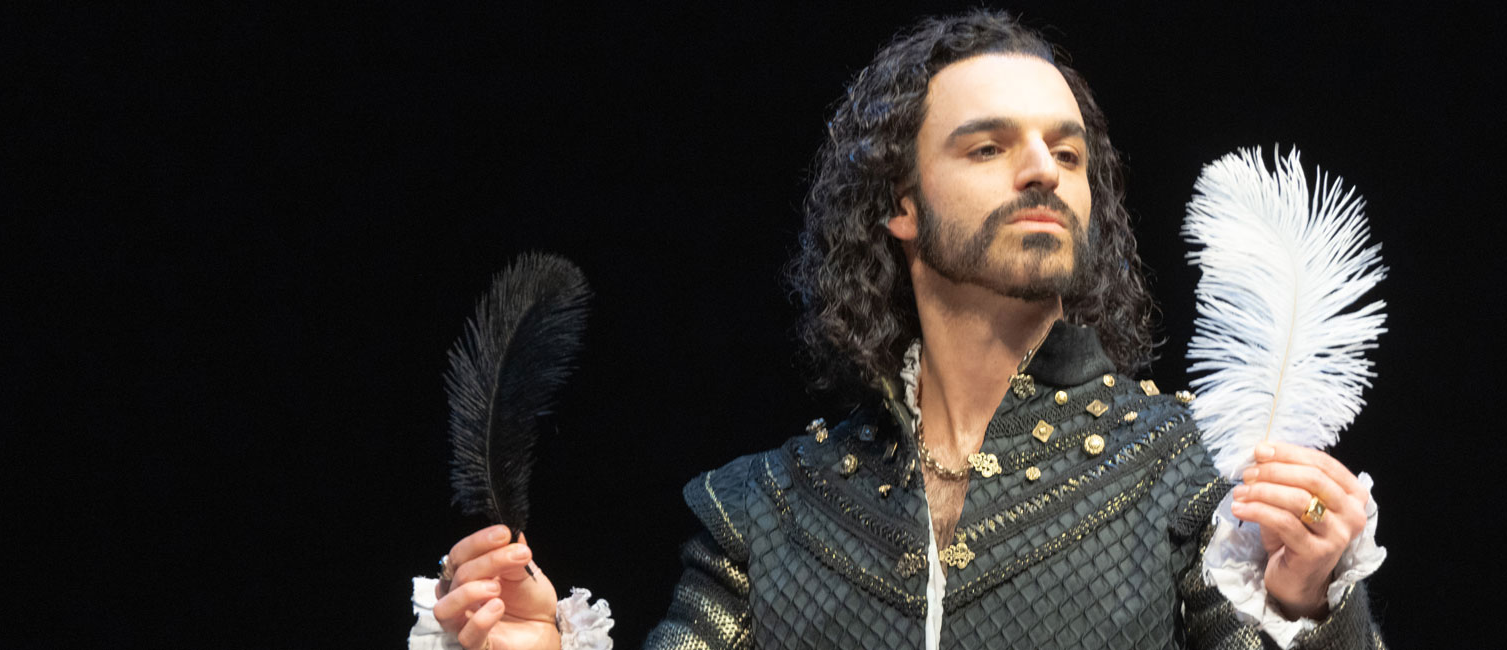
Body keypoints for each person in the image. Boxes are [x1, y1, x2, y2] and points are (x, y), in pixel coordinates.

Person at [411, 10, 1387, 650]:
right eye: (988, 146)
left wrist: (1311, 607)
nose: (1042, 170)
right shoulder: (768, 510)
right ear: (899, 204)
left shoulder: (1184, 472)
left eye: (1067, 152)